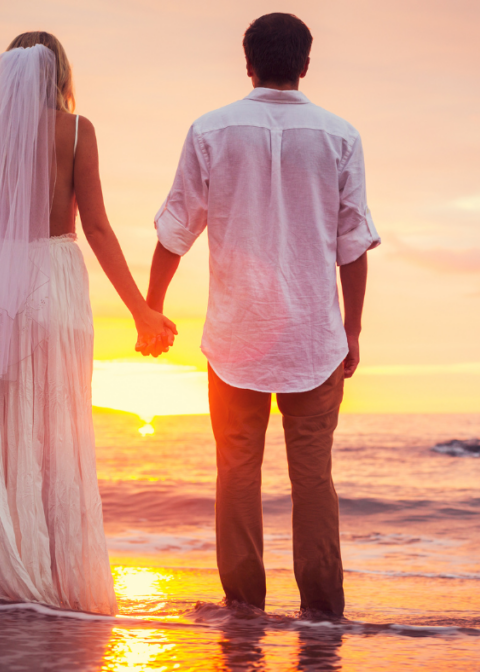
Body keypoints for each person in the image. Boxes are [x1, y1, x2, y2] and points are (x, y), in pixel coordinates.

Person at [142, 13, 380, 619]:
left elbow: (176, 229)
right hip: (313, 336)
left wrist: (154, 305)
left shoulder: (212, 130)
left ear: (247, 62)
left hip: (235, 336)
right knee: (314, 480)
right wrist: (352, 329)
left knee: (238, 475)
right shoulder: (340, 135)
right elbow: (352, 244)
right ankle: (324, 615)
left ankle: (244, 609)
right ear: (304, 64)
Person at [0, 32, 176, 615]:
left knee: (12, 431)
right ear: (59, 74)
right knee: (60, 429)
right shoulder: (76, 131)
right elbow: (95, 226)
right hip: (57, 279)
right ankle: (64, 579)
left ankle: (15, 577)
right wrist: (140, 310)